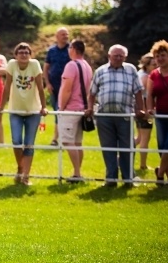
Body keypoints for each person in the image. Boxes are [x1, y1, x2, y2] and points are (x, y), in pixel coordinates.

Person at [87, 44, 145, 187]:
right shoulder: (100, 71)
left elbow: (138, 91)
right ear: (109, 57)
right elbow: (92, 92)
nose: (118, 58)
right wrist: (89, 108)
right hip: (104, 116)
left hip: (125, 115)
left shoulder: (131, 70)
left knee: (127, 147)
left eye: (121, 56)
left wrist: (140, 110)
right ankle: (111, 179)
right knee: (108, 148)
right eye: (115, 56)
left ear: (125, 57)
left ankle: (128, 178)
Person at [0, 42, 48, 185]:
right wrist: (1, 107)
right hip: (16, 110)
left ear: (30, 55)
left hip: (33, 111)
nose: (24, 55)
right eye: (21, 52)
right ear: (15, 55)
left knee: (29, 144)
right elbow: (6, 87)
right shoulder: (12, 65)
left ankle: (25, 176)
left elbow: (40, 87)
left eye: (26, 52)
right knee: (16, 141)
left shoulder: (35, 64)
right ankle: (20, 168)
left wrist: (43, 107)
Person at [57, 40, 93, 183]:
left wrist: (62, 107)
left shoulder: (71, 65)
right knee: (77, 142)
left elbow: (67, 88)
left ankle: (77, 174)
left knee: (67, 141)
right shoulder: (87, 66)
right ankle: (77, 172)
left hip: (71, 108)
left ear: (74, 49)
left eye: (70, 47)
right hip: (82, 108)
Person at [146, 40, 168, 185]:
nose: (160, 58)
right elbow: (150, 95)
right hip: (161, 115)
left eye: (162, 55)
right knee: (163, 147)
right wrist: (149, 109)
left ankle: (159, 173)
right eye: (157, 56)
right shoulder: (153, 74)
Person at [44, 27, 70, 145]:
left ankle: (64, 138)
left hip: (68, 87)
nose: (66, 36)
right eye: (63, 34)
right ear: (57, 36)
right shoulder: (51, 51)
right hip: (54, 87)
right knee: (56, 111)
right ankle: (55, 138)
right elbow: (46, 68)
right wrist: (48, 83)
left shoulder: (71, 50)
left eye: (67, 34)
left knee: (67, 112)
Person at [136, 53, 156, 171]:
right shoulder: (145, 77)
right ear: (146, 65)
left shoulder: (143, 75)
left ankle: (122, 155)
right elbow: (142, 96)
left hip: (140, 110)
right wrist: (145, 111)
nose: (155, 66)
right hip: (143, 111)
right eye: (153, 64)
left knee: (139, 138)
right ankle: (143, 165)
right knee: (145, 138)